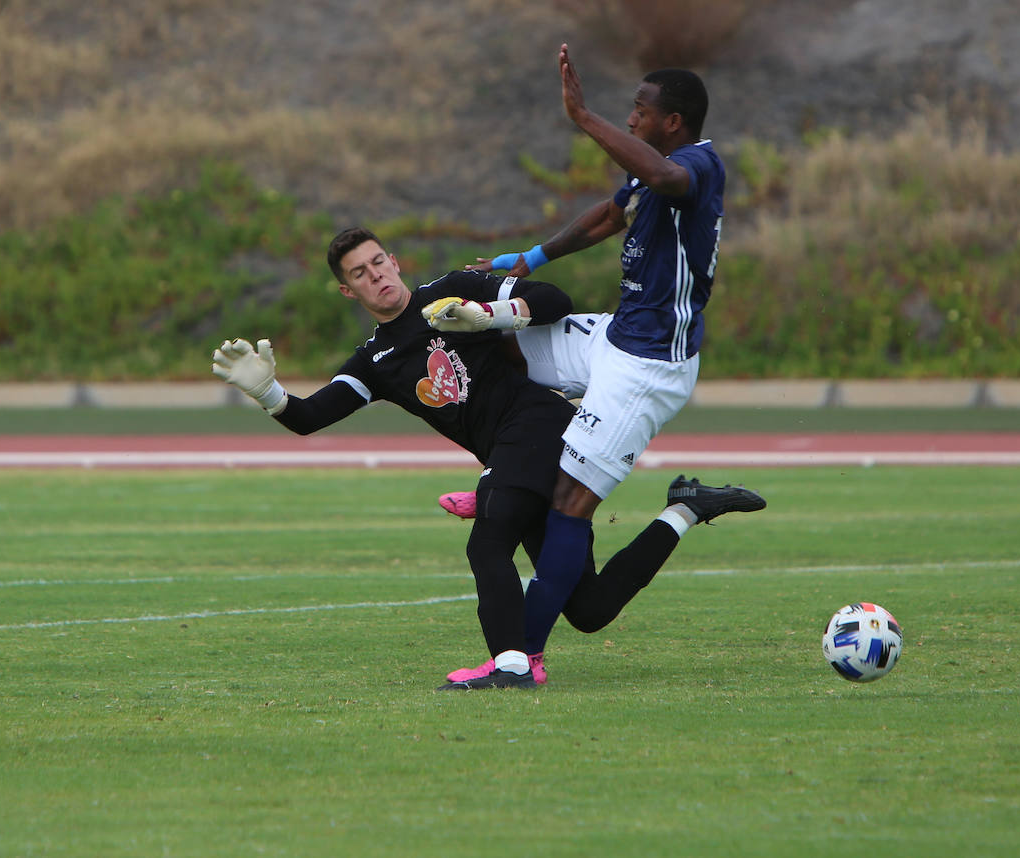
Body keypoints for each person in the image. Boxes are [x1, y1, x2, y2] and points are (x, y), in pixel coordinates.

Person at [213, 226, 764, 690]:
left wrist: (490, 312)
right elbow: (309, 418)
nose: (376, 275)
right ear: (347, 291)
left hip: (536, 427)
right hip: (514, 456)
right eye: (360, 273)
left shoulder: (449, 291)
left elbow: (555, 300)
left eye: (379, 261)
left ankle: (509, 664)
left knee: (488, 540)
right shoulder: (375, 361)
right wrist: (267, 393)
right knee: (590, 609)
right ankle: (685, 509)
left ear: (395, 262)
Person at [443, 44, 729, 673]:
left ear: (672, 122)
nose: (630, 119)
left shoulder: (696, 169)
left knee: (571, 501)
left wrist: (583, 116)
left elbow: (660, 180)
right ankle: (505, 477)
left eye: (639, 110)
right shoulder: (654, 169)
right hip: (616, 336)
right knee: (500, 339)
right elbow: (610, 215)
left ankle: (524, 659)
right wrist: (529, 261)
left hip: (649, 366)